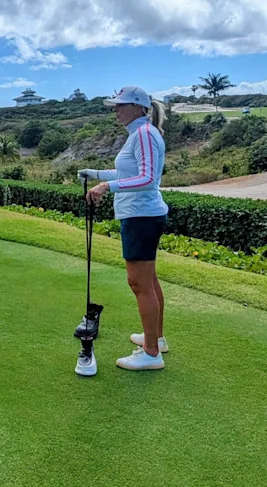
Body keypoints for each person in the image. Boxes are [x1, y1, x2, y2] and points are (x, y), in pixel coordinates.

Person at [78, 86, 169, 372]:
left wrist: (107, 187)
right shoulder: (140, 134)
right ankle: (156, 338)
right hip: (141, 215)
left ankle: (151, 353)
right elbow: (128, 172)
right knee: (149, 281)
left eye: (120, 105)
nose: (115, 110)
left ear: (139, 108)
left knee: (139, 283)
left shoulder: (143, 134)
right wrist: (95, 174)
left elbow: (147, 178)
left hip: (141, 215)